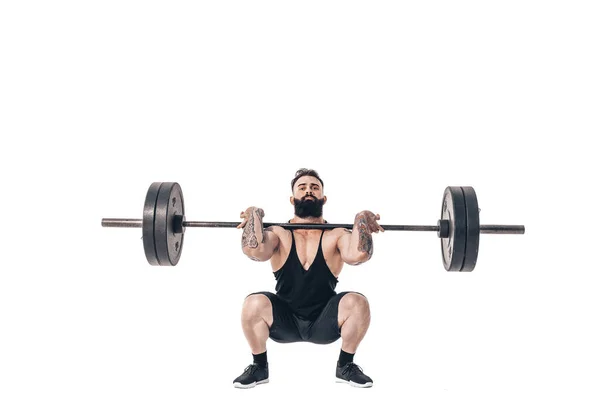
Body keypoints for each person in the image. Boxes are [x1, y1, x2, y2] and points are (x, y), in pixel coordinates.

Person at [232, 168, 384, 389]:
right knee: (253, 303)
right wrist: (255, 213)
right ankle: (259, 366)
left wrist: (361, 219)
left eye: (314, 187)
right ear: (293, 198)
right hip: (284, 321)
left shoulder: (337, 235)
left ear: (323, 198)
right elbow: (253, 251)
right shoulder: (279, 233)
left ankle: (345, 366)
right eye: (302, 188)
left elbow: (359, 255)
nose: (308, 191)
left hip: (325, 320)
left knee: (357, 303)